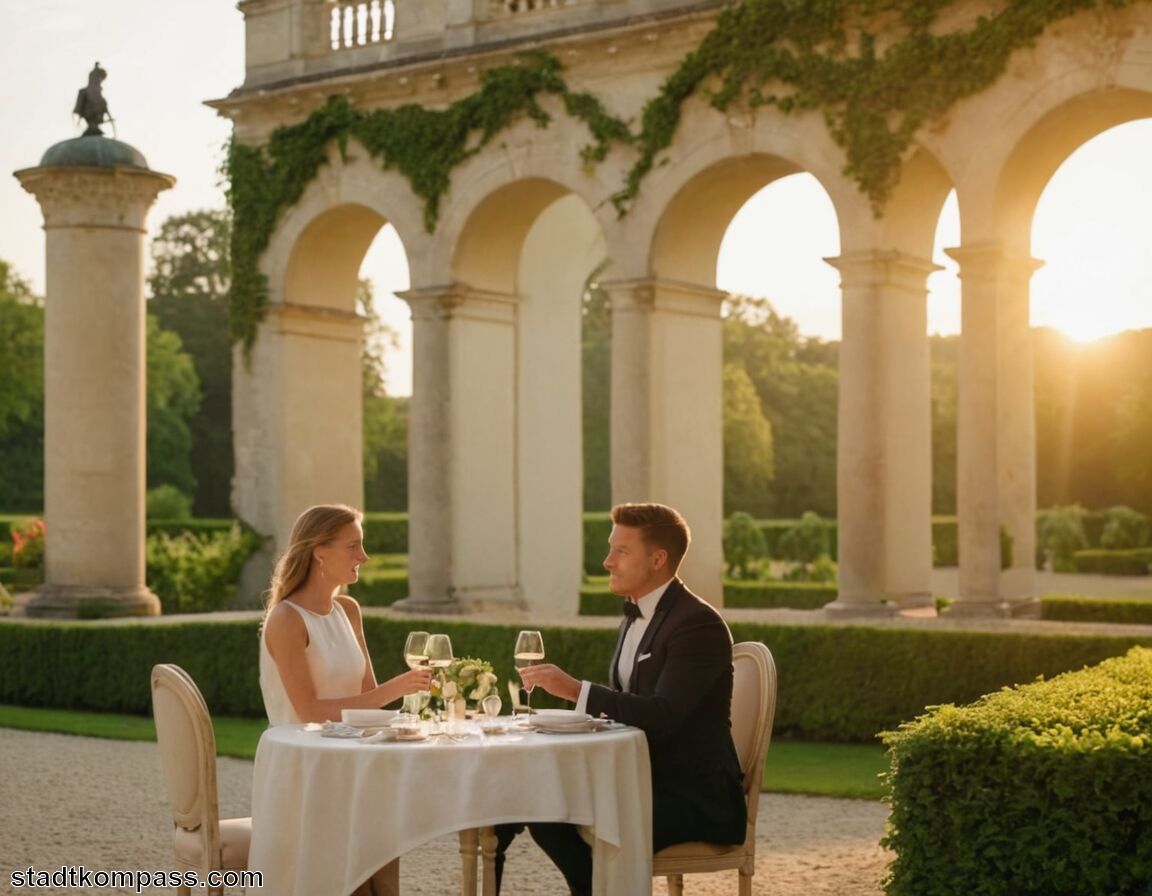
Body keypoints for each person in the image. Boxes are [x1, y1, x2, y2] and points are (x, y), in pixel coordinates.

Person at [494, 502, 747, 896]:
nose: (607, 561)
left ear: (658, 559)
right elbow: (632, 707)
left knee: (565, 808)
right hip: (639, 779)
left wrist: (579, 691)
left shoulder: (697, 624)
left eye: (620, 551)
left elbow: (663, 716)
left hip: (693, 797)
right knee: (540, 803)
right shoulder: (639, 614)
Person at [260, 503, 432, 726]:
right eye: (353, 546)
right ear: (320, 552)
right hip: (306, 752)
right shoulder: (287, 619)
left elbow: (368, 697)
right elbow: (310, 713)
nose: (364, 556)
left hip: (349, 746)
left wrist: (411, 695)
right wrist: (396, 689)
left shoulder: (348, 610)